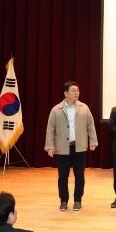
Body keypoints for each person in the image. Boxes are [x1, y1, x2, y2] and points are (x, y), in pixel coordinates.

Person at [45, 81, 98, 212]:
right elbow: (50, 129)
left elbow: (90, 126)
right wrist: (50, 146)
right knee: (63, 177)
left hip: (79, 147)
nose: (76, 93)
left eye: (78, 90)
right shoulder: (56, 109)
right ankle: (63, 200)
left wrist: (93, 141)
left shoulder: (84, 108)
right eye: (73, 90)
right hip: (62, 148)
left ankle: (78, 200)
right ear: (65, 93)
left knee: (80, 176)